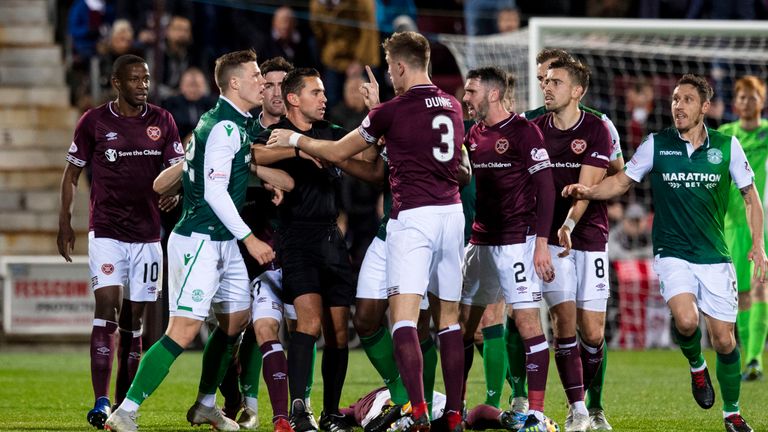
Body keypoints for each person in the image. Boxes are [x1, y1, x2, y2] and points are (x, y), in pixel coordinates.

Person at [267, 31, 467, 432]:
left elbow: (340, 151)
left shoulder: (391, 111)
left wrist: (295, 139)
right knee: (449, 321)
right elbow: (441, 160)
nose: (389, 74)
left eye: (391, 66)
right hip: (453, 215)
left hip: (413, 218)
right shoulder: (452, 104)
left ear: (399, 66)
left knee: (405, 320)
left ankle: (418, 411)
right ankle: (456, 414)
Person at [563, 73, 767, 432]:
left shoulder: (727, 146)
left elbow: (751, 197)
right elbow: (623, 180)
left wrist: (758, 246)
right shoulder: (657, 145)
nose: (678, 106)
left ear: (705, 107)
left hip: (715, 255)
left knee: (723, 339)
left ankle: (732, 412)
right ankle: (695, 367)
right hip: (673, 253)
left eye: (687, 99)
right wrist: (588, 191)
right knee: (687, 321)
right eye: (674, 99)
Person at [105, 49, 274, 432]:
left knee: (235, 320)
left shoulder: (236, 122)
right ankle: (126, 411)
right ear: (234, 83)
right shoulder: (222, 127)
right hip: (199, 239)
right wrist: (249, 239)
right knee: (181, 330)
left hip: (221, 240)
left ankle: (206, 404)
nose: (261, 80)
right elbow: (215, 192)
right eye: (255, 74)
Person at [57, 54, 183, 430]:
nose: (143, 85)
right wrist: (64, 222)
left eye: (146, 79)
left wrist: (175, 193)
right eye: (135, 79)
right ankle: (100, 401)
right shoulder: (94, 121)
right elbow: (71, 174)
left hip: (147, 236)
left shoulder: (163, 121)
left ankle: (123, 409)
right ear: (116, 82)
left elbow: (177, 172)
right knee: (107, 307)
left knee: (134, 323)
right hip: (107, 231)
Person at [519, 48, 622, 431]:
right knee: (563, 322)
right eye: (544, 81)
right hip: (549, 238)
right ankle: (577, 409)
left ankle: (595, 406)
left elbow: (592, 183)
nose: (546, 86)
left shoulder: (597, 128)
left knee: (592, 333)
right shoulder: (534, 129)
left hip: (589, 236)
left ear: (577, 90)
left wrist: (569, 224)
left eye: (555, 81)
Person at [252, 68, 358, 432]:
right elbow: (251, 153)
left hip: (332, 239)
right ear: (294, 99)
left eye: (324, 92)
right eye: (316, 92)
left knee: (339, 333)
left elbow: (364, 147)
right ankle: (299, 410)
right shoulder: (276, 136)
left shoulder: (334, 133)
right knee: (309, 323)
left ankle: (330, 413)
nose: (324, 98)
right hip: (296, 240)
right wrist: (291, 147)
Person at [460, 66, 556, 432]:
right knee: (464, 327)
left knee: (528, 322)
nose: (466, 98)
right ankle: (458, 404)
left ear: (493, 94)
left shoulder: (523, 132)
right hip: (480, 241)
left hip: (518, 242)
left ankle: (536, 411)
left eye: (471, 92)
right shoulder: (473, 134)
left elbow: (545, 188)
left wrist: (541, 243)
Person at [718, 75, 768, 382]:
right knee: (743, 295)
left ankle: (754, 358)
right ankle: (745, 355)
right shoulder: (726, 135)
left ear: (762, 101)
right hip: (733, 224)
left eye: (752, 97)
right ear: (734, 102)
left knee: (761, 287)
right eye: (741, 97)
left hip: (764, 223)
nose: (746, 103)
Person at [161, 67, 217, 140]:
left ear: (204, 86)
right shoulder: (170, 104)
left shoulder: (215, 104)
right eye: (189, 85)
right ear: (181, 86)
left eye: (197, 85)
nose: (193, 89)